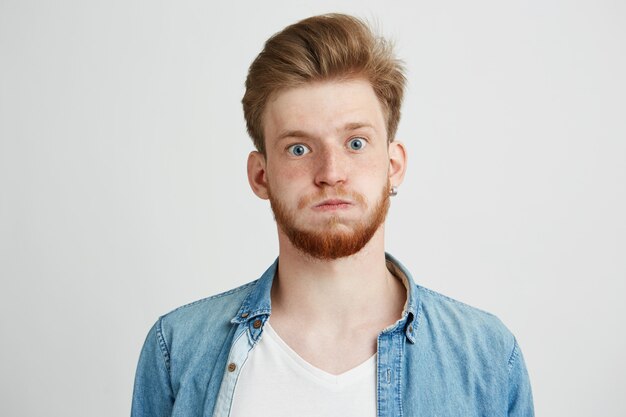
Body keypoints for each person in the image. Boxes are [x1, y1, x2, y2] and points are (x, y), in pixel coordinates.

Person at [131, 13, 534, 417]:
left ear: (393, 165)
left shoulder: (488, 358)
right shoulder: (178, 351)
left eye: (355, 142)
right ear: (261, 175)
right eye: (298, 149)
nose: (330, 173)